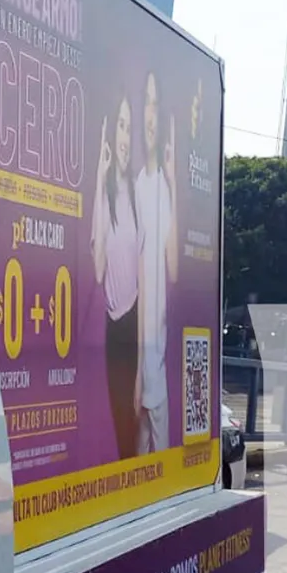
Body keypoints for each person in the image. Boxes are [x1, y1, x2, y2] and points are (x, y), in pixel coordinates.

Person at [131, 70, 180, 454]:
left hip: (156, 358)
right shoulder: (136, 185)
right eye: (146, 103)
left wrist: (175, 182)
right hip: (143, 356)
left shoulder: (161, 184)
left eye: (156, 104)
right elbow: (138, 280)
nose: (150, 115)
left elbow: (172, 268)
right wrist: (136, 369)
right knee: (140, 453)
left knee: (155, 454)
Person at [91, 93, 141, 460]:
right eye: (120, 126)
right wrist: (98, 177)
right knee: (121, 422)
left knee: (134, 420)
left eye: (129, 128)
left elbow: (144, 274)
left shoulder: (137, 194)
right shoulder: (106, 197)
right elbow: (97, 269)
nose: (125, 137)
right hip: (114, 327)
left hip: (136, 322)